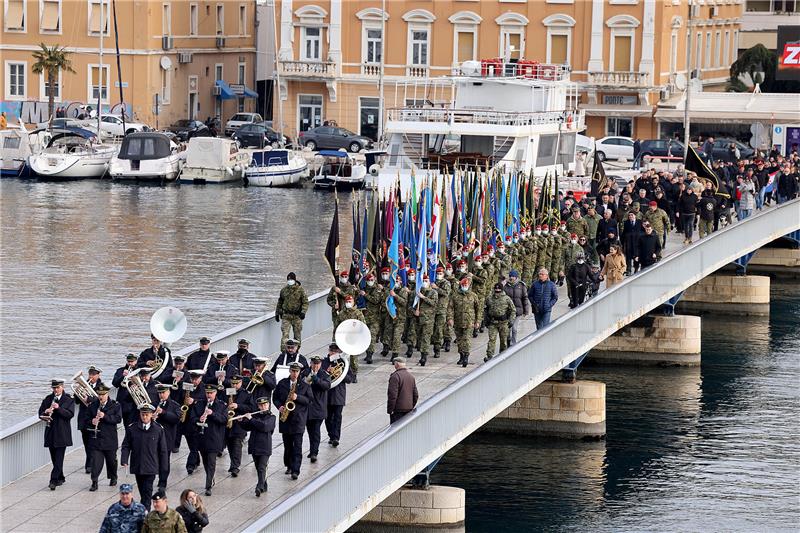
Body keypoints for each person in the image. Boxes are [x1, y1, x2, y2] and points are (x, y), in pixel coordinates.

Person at [120, 404, 170, 511]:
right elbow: (126, 445)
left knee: (147, 492)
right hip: (138, 465)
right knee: (142, 490)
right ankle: (144, 509)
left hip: (151, 466)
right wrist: (124, 459)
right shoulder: (132, 428)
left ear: (151, 415)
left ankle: (145, 512)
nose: (145, 417)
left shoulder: (158, 429)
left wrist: (164, 467)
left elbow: (163, 450)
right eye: (143, 414)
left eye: (147, 415)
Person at [274, 361, 311, 480]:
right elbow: (275, 398)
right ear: (289, 371)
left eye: (297, 371)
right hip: (285, 419)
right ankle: (289, 465)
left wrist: (297, 397)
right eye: (293, 371)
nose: (295, 374)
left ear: (300, 372)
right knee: (288, 445)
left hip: (298, 420)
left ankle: (296, 470)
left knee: (297, 446)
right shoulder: (282, 383)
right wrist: (279, 406)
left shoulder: (304, 385)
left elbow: (309, 401)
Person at [189, 384, 227, 496]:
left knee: (211, 462)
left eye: (211, 393)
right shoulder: (200, 404)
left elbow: (224, 419)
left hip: (214, 438)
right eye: (207, 393)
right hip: (201, 437)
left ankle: (208, 486)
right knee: (205, 461)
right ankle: (210, 477)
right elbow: (192, 418)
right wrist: (198, 419)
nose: (209, 395)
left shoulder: (221, 405)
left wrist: (212, 414)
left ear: (215, 393)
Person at [38, 378, 75, 490]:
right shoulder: (48, 399)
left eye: (57, 388)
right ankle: (61, 477)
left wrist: (58, 408)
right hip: (50, 432)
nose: (55, 390)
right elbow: (40, 413)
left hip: (62, 433)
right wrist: (46, 412)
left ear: (62, 387)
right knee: (54, 458)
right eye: (54, 388)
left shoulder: (68, 400)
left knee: (59, 458)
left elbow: (69, 414)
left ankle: (53, 480)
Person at [86, 383, 121, 491]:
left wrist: (105, 416)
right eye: (99, 394)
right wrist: (92, 421)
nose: (101, 397)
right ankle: (94, 482)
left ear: (107, 394)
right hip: (97, 439)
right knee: (96, 462)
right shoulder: (93, 405)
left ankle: (113, 476)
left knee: (111, 461)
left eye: (103, 394)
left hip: (110, 438)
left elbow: (118, 419)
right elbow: (85, 420)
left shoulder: (115, 405)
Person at [241, 397, 276, 497]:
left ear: (268, 405)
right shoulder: (255, 416)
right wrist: (241, 420)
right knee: (258, 467)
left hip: (265, 447)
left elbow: (264, 426)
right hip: (254, 445)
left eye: (264, 405)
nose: (262, 407)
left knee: (262, 467)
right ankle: (264, 485)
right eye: (260, 405)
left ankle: (259, 487)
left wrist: (251, 419)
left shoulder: (271, 417)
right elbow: (247, 427)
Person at [323, 343, 354, 447]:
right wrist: (327, 373)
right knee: (327, 417)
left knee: (337, 417)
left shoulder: (343, 362)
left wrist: (340, 374)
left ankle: (336, 437)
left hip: (338, 395)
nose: (334, 353)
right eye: (332, 351)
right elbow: (318, 378)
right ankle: (331, 435)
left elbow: (350, 379)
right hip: (326, 395)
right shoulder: (324, 362)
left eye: (336, 352)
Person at [76, 365, 105, 473]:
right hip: (84, 418)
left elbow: (100, 398)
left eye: (94, 374)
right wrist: (78, 392)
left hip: (95, 417)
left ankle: (91, 464)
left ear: (98, 375)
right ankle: (89, 462)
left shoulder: (101, 386)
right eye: (90, 374)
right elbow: (77, 401)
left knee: (93, 442)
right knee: (86, 442)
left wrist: (89, 398)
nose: (91, 376)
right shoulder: (84, 385)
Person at [447, 277, 481, 368]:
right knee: (459, 340)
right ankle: (461, 355)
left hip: (469, 322)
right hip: (458, 321)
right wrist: (450, 318)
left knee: (466, 339)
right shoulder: (455, 295)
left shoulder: (473, 296)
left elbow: (478, 309)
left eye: (466, 285)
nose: (465, 286)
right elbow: (450, 308)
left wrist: (478, 321)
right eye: (463, 285)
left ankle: (466, 356)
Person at [153, 383, 181, 489]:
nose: (161, 395)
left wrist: (163, 412)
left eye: (163, 392)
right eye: (159, 393)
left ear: (168, 392)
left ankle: (162, 481)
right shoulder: (153, 403)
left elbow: (176, 419)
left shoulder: (174, 405)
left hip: (167, 437)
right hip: (154, 437)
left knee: (164, 460)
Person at [303, 355, 331, 463]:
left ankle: (314, 452)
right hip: (307, 407)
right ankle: (312, 450)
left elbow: (326, 386)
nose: (315, 366)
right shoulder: (305, 372)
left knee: (315, 431)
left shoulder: (324, 374)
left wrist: (316, 379)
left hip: (318, 407)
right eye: (314, 363)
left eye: (318, 364)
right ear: (311, 363)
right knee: (310, 431)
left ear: (320, 364)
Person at [224, 375, 252, 477]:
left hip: (239, 424)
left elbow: (250, 407)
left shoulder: (246, 394)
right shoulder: (226, 392)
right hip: (227, 422)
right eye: (233, 383)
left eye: (237, 383)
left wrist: (238, 406)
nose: (235, 385)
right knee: (230, 445)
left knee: (236, 445)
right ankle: (233, 463)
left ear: (241, 383)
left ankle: (235, 467)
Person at [275, 272, 309, 352]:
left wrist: (303, 312)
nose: (289, 281)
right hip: (286, 316)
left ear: (294, 280)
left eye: (291, 279)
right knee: (285, 334)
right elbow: (280, 301)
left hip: (297, 316)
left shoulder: (300, 290)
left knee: (297, 335)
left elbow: (305, 302)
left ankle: (296, 351)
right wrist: (277, 313)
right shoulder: (284, 290)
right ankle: (284, 352)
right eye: (288, 279)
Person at [484, 283, 516, 362]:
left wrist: (511, 320)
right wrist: (486, 320)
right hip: (492, 323)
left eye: (499, 291)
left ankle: (502, 356)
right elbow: (485, 309)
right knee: (492, 339)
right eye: (496, 290)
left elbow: (513, 310)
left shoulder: (506, 299)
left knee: (503, 340)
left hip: (503, 323)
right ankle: (489, 356)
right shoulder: (489, 298)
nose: (497, 292)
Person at [113, 352, 142, 426]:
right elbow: (115, 383)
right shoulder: (120, 370)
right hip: (124, 403)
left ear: (136, 361)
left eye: (132, 362)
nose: (130, 363)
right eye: (129, 361)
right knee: (127, 426)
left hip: (136, 403)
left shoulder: (140, 371)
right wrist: (122, 376)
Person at [387, 357, 418, 423]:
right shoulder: (411, 376)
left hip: (397, 410)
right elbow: (415, 394)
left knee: (395, 430)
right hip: (408, 409)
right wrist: (411, 406)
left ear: (397, 364)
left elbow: (392, 395)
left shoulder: (395, 376)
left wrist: (390, 409)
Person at [503, 270, 529, 345]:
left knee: (514, 328)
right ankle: (508, 341)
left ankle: (513, 343)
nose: (512, 278)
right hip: (508, 311)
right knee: (508, 329)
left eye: (513, 276)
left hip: (518, 311)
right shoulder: (506, 286)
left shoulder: (521, 286)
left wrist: (526, 311)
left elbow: (525, 298)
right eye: (510, 276)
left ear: (516, 277)